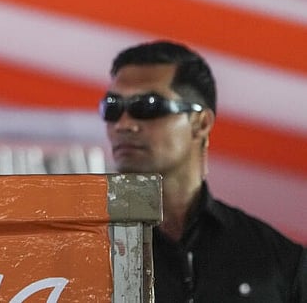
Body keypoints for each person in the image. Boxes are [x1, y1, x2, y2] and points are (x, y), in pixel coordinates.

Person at [101, 40, 306, 302]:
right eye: (112, 107)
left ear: (201, 123)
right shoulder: (83, 251)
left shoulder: (277, 260)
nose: (124, 124)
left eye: (148, 105)